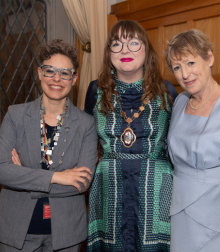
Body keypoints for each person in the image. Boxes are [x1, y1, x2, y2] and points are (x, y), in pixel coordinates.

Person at [84, 20, 178, 252]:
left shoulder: (167, 92)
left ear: (147, 50)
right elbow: (83, 140)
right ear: (109, 53)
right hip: (108, 191)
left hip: (156, 193)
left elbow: (180, 146)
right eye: (117, 44)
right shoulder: (95, 90)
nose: (125, 50)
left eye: (134, 43)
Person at [0, 39, 98, 251]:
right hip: (15, 230)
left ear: (74, 79)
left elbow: (81, 183)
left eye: (65, 73)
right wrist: (58, 177)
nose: (56, 78)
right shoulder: (15, 116)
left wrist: (23, 176)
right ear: (39, 73)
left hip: (66, 233)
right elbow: (2, 171)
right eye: (50, 70)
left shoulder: (87, 124)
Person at [165, 28, 220, 252]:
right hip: (182, 216)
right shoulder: (180, 102)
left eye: (191, 63)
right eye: (177, 67)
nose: (185, 74)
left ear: (209, 58)